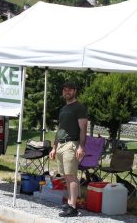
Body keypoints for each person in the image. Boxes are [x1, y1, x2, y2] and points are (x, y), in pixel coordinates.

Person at [49, 81, 88, 217]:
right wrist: (54, 147)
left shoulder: (79, 107)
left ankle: (73, 206)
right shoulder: (63, 109)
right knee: (66, 176)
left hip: (71, 145)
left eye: (70, 90)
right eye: (65, 90)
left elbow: (83, 128)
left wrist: (81, 147)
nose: (67, 92)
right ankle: (70, 203)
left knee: (71, 176)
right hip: (61, 145)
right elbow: (60, 129)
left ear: (75, 91)